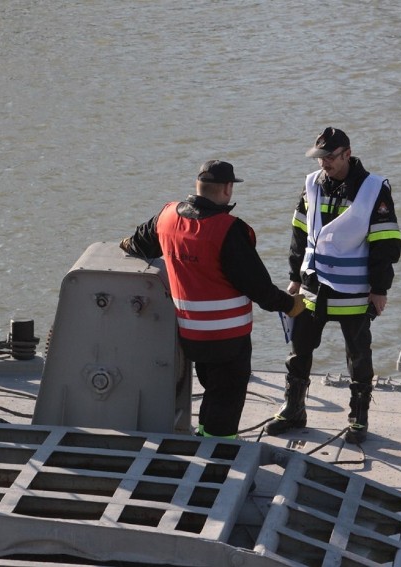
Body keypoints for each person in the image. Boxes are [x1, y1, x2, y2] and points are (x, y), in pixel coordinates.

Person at [120, 160, 305, 438]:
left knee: (213, 390)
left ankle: (204, 438)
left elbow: (136, 242)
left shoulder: (168, 217)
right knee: (226, 401)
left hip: (190, 335)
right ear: (228, 189)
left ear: (198, 186)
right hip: (228, 338)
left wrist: (123, 243)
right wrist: (290, 305)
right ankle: (218, 460)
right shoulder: (228, 230)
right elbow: (258, 287)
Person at [265, 127, 401, 443]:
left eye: (329, 158)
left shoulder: (373, 189)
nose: (323, 164)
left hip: (354, 291)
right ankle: (293, 409)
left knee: (358, 354)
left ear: (347, 154)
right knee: (299, 350)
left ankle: (358, 419)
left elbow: (386, 242)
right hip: (312, 287)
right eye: (320, 158)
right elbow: (300, 233)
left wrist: (380, 289)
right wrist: (294, 278)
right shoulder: (312, 184)